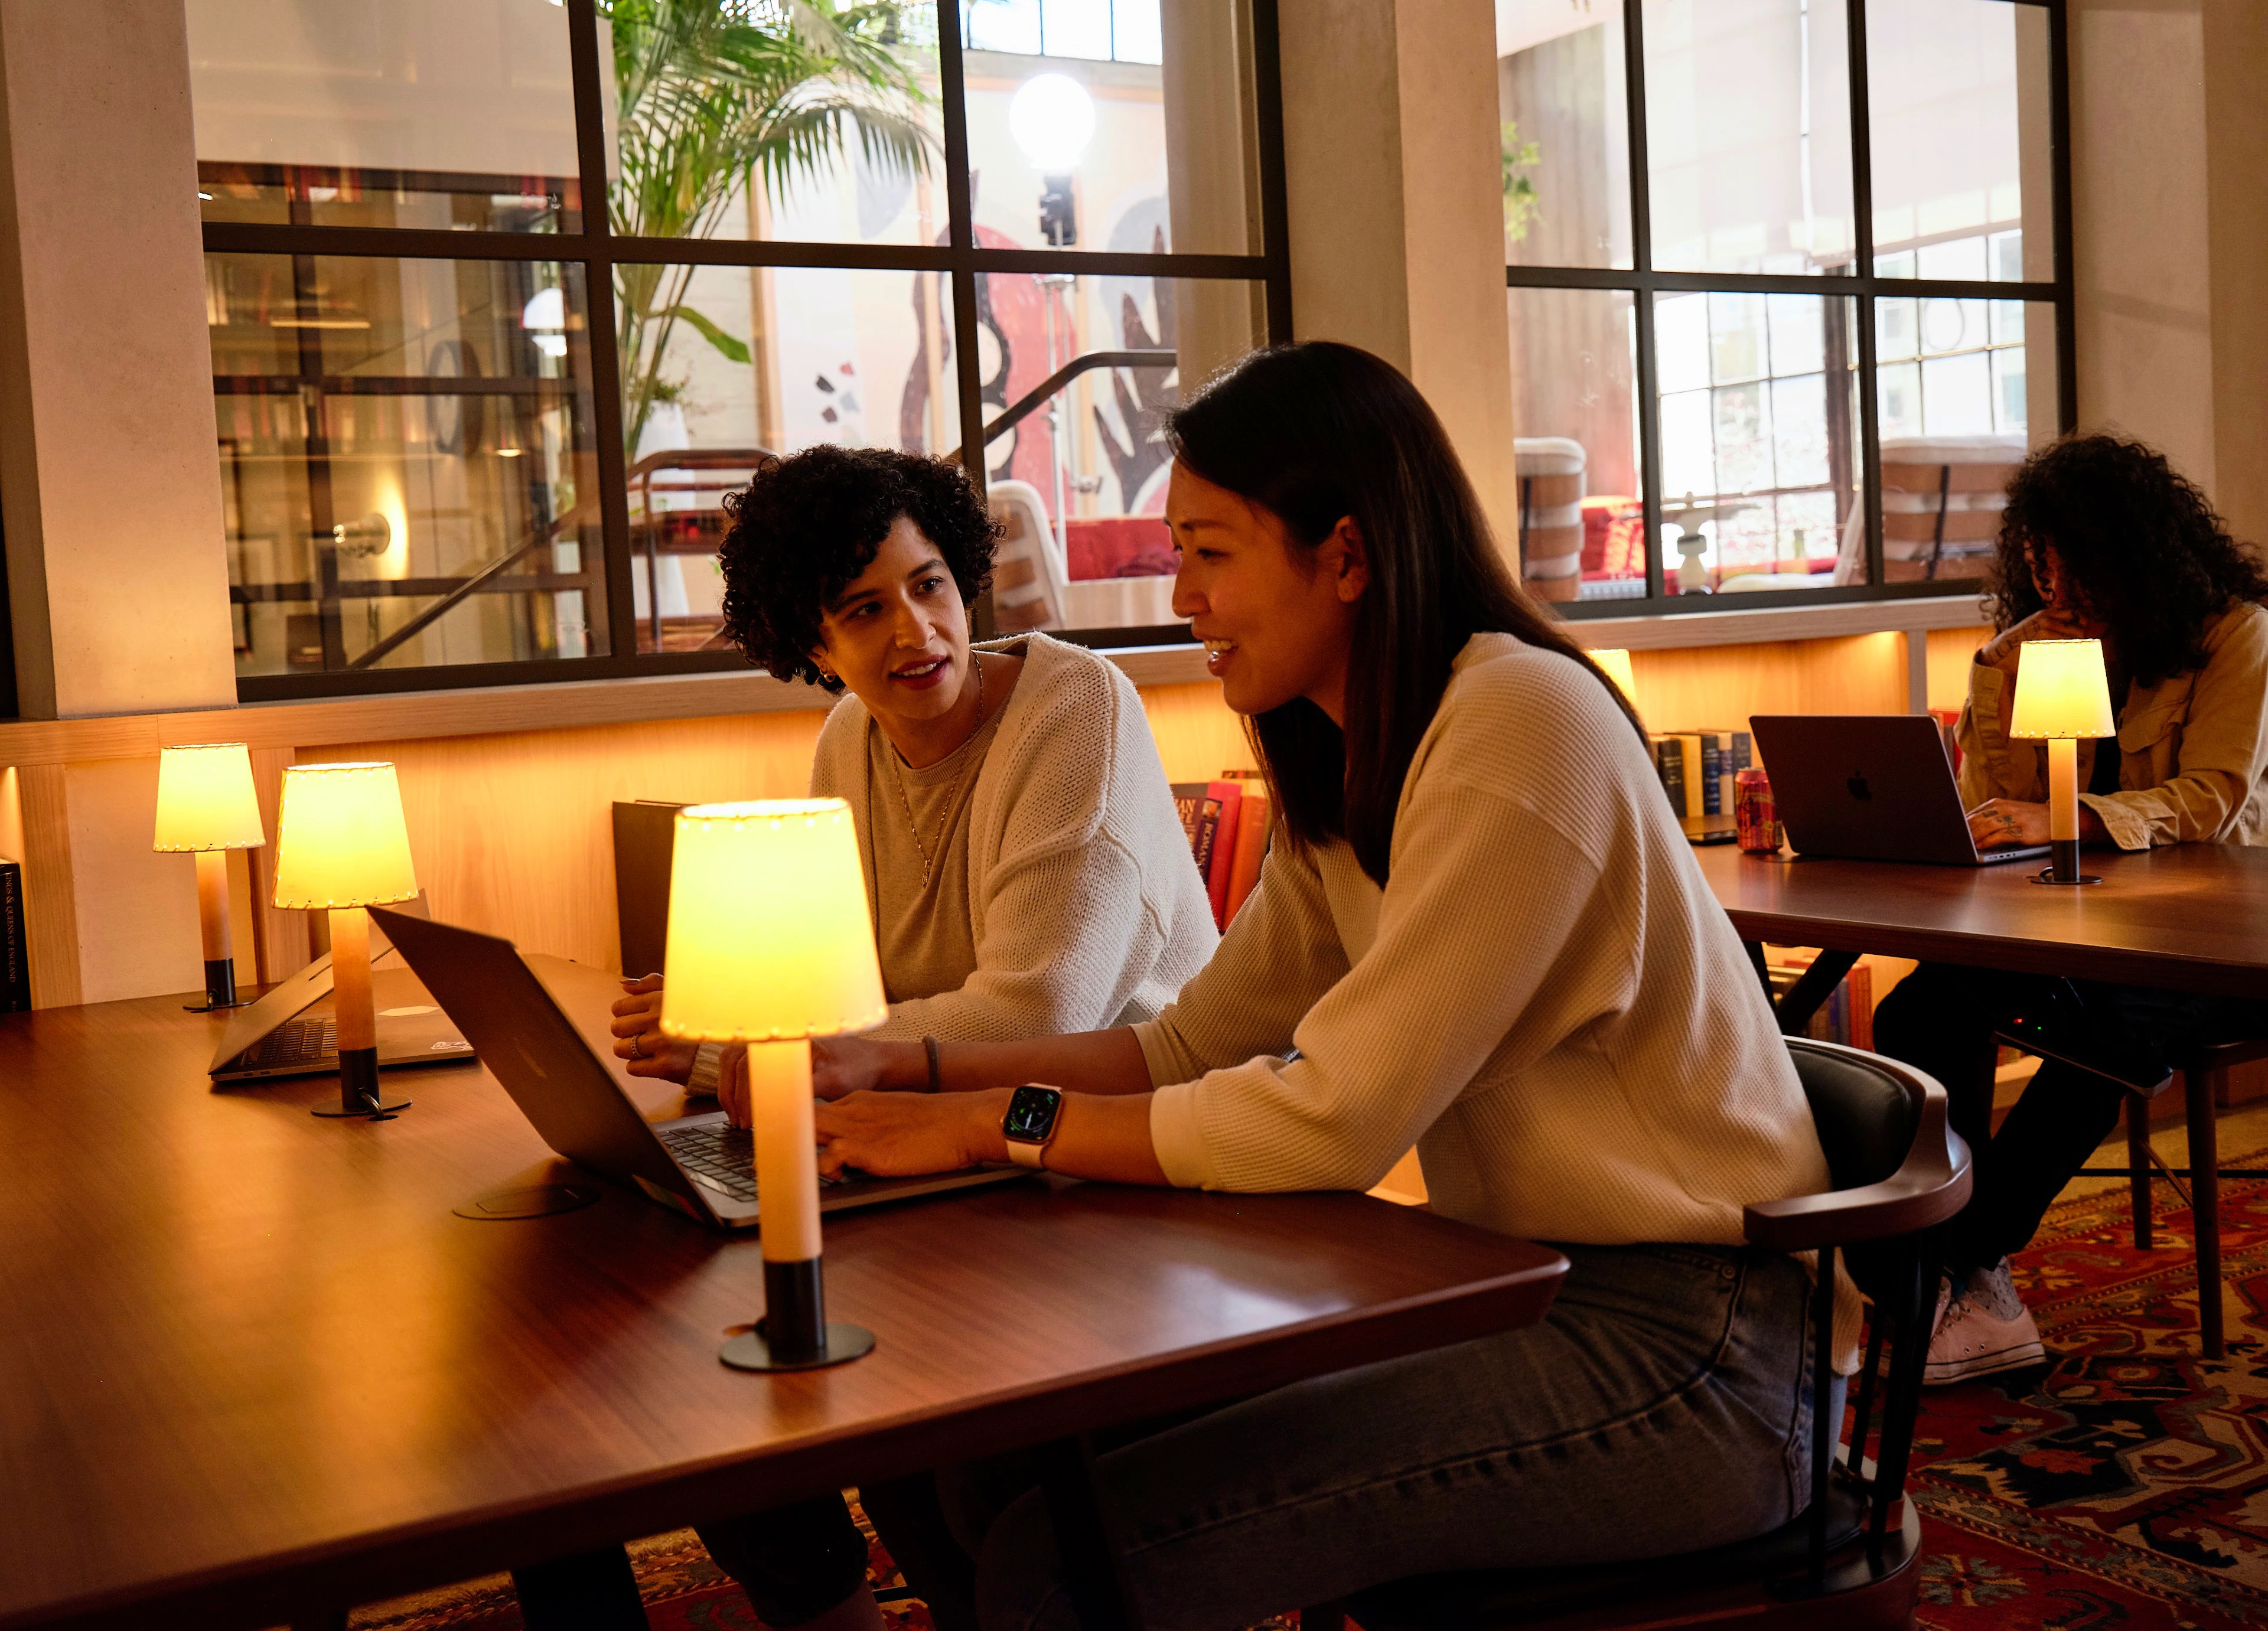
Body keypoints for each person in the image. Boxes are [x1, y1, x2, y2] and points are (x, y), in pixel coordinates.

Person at [788, 341, 1852, 1630]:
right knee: (997, 1467)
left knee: (1060, 1566)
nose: (1181, 595)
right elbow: (1187, 1050)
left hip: (1694, 1355)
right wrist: (904, 1066)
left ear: (1345, 557)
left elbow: (1333, 1116)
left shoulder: (1522, 724)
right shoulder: (1357, 759)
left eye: (1210, 552)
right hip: (1511, 1286)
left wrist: (991, 1123)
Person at [514, 443, 1217, 1631]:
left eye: (931, 583)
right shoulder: (849, 740)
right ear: (814, 646)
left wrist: (794, 1047)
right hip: (941, 1151)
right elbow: (850, 999)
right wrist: (728, 1030)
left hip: (1104, 1149)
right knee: (705, 1347)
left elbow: (1042, 1010)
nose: (916, 632)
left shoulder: (1075, 709)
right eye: (864, 610)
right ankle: (828, 1607)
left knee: (839, 1365)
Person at [1873, 432, 2268, 1385]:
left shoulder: (2233, 636)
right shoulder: (2017, 658)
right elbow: (1990, 811)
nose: (2051, 578)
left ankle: (1966, 1263)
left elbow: (2214, 796)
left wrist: (2073, 816)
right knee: (1916, 1011)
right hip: (2067, 929)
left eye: (2072, 553)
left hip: (2215, 941)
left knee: (2101, 1032)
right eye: (2036, 554)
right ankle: (1951, 1273)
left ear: (2132, 547)